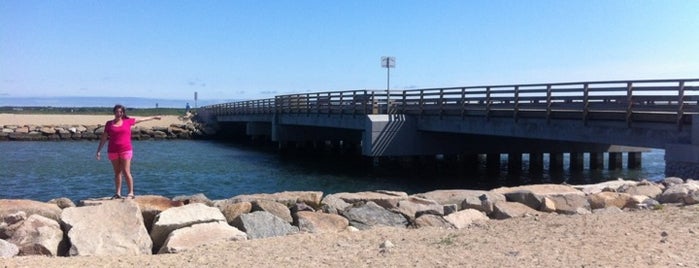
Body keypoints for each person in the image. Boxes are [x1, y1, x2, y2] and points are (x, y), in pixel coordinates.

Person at [95, 104, 161, 199]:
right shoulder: (109, 124)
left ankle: (131, 192)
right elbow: (104, 137)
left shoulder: (128, 121)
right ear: (114, 112)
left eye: (120, 112)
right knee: (117, 172)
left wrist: (154, 117)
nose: (119, 114)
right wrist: (98, 150)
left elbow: (142, 119)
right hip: (112, 150)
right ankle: (118, 193)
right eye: (117, 112)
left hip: (125, 150)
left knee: (126, 171)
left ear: (123, 113)